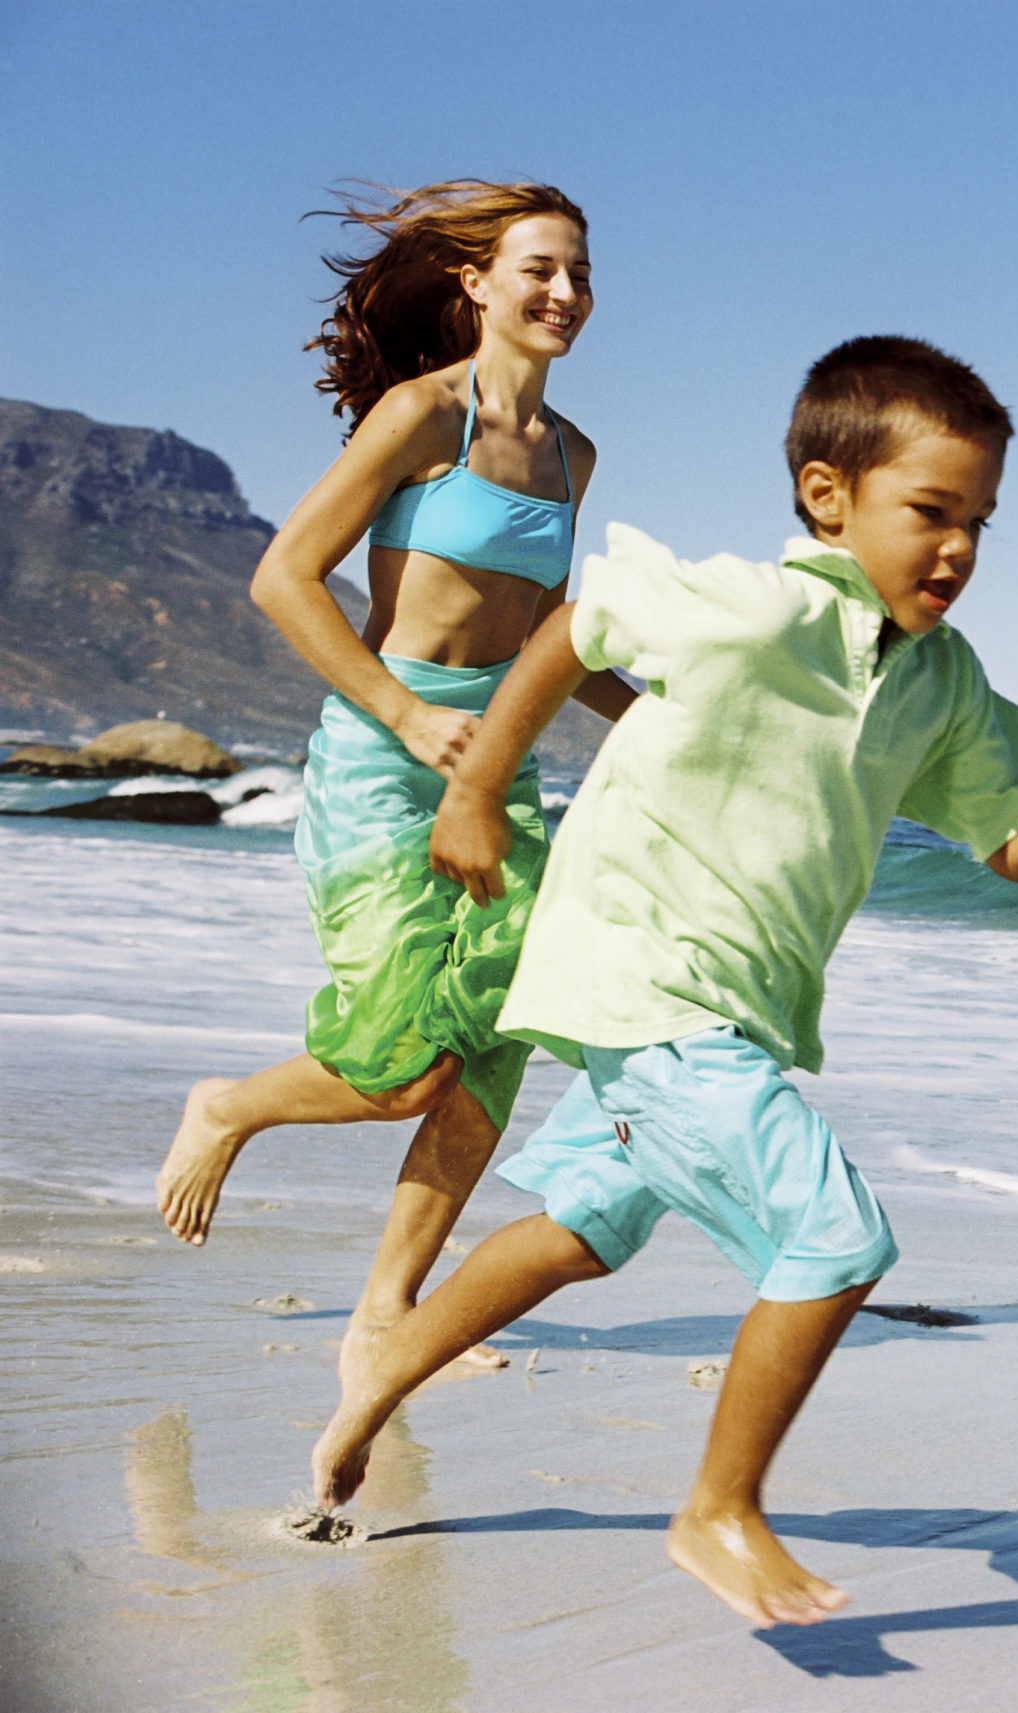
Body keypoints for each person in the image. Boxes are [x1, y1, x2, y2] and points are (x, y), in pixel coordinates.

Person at [308, 336, 1018, 1629]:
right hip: (642, 972)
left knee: (581, 1228)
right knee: (836, 1235)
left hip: (727, 1006)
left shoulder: (940, 680)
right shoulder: (748, 605)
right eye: (931, 511)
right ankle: (718, 1506)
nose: (957, 547)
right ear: (827, 496)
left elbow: (1013, 844)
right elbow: (574, 626)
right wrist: (472, 782)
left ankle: (387, 1364)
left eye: (978, 522)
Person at [155, 181, 634, 1389]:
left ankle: (386, 1310)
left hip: (500, 773)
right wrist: (405, 711)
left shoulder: (575, 454)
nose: (565, 294)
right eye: (540, 270)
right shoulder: (422, 417)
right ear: (475, 282)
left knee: (490, 1050)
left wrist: (668, 725)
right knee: (396, 1068)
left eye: (579, 272)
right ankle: (229, 1105)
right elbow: (284, 579)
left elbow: (545, 645)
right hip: (384, 758)